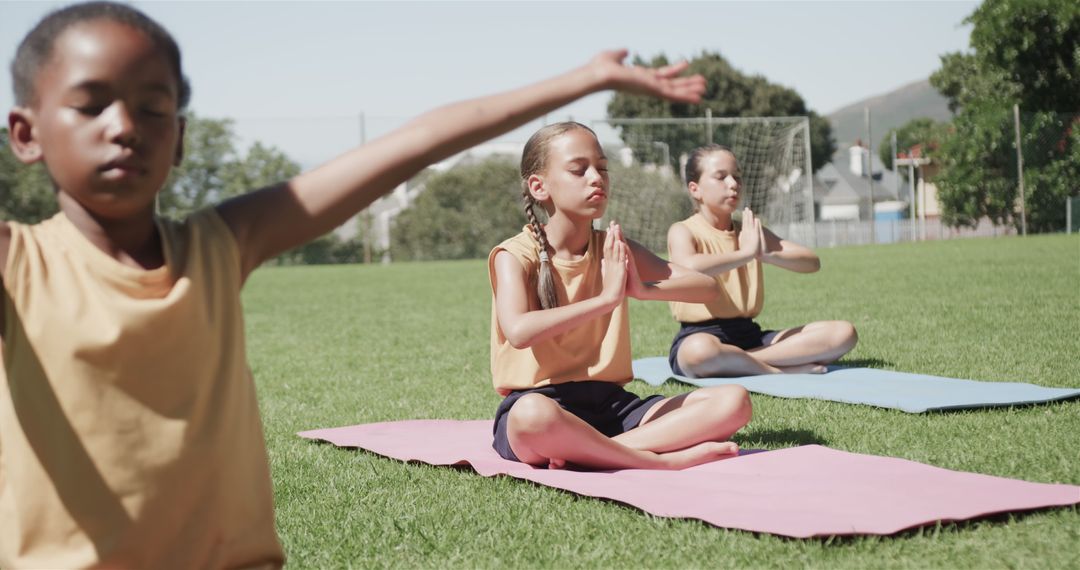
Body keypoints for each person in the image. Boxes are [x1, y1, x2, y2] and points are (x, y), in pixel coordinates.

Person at [0, 2, 709, 566]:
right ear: (25, 134)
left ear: (180, 137)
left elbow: (415, 143)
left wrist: (583, 79)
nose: (124, 126)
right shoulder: (16, 265)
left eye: (152, 107)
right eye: (90, 103)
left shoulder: (219, 246)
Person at [488, 122, 753, 472]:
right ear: (539, 186)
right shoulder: (514, 255)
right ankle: (661, 462)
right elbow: (519, 330)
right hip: (543, 405)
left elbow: (706, 287)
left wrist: (642, 290)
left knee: (734, 401)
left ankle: (597, 451)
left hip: (612, 406)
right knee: (532, 417)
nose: (596, 178)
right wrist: (606, 299)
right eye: (578, 170)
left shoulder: (614, 249)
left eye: (602, 167)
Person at [666, 144, 858, 379]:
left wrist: (766, 254)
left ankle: (744, 361)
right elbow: (688, 266)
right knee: (698, 353)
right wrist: (745, 254)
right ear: (695, 189)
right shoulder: (682, 231)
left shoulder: (750, 232)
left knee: (843, 333)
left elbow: (811, 262)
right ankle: (778, 367)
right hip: (701, 336)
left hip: (751, 337)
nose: (733, 183)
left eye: (737, 176)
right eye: (721, 177)